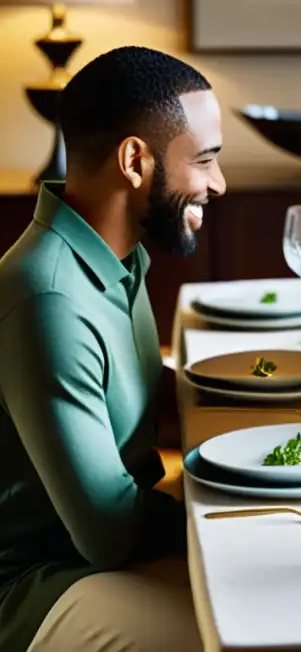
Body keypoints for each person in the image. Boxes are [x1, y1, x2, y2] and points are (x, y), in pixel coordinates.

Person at [0, 46, 226, 651]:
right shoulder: (49, 295)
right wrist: (247, 512)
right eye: (205, 161)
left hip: (102, 553)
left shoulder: (117, 260)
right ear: (135, 161)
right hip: (39, 587)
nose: (218, 184)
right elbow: (109, 534)